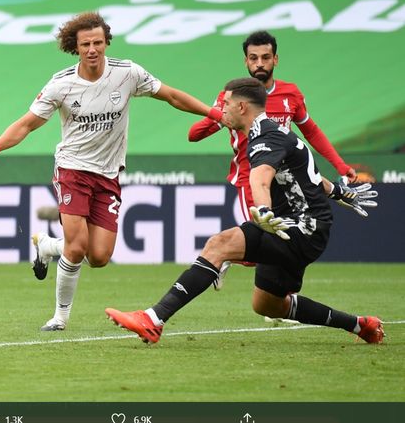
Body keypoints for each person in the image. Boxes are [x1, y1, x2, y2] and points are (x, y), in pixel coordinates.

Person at [0, 12, 224, 332]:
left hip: (108, 175)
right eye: (85, 44)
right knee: (77, 247)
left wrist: (213, 113)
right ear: (75, 48)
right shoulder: (62, 84)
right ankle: (60, 318)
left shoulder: (127, 73)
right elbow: (27, 124)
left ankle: (47, 246)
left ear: (106, 42)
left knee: (100, 257)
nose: (92, 49)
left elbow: (172, 96)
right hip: (72, 169)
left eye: (97, 42)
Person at [105, 77, 382, 345]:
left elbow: (259, 178)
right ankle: (360, 325)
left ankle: (153, 319)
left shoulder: (264, 137)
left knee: (219, 244)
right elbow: (305, 178)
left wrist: (262, 209)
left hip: (299, 228)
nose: (221, 109)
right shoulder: (275, 131)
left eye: (225, 103)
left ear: (241, 107)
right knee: (268, 305)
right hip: (301, 228)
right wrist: (336, 191)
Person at [188, 30, 357, 291]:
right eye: (253, 58)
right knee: (263, 237)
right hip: (251, 177)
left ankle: (277, 298)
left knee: (283, 240)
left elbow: (311, 130)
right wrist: (218, 115)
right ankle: (221, 257)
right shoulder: (233, 98)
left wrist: (341, 166)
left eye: (265, 57)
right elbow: (194, 134)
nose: (259, 64)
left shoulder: (290, 94)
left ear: (275, 59)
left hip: (286, 182)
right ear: (246, 61)